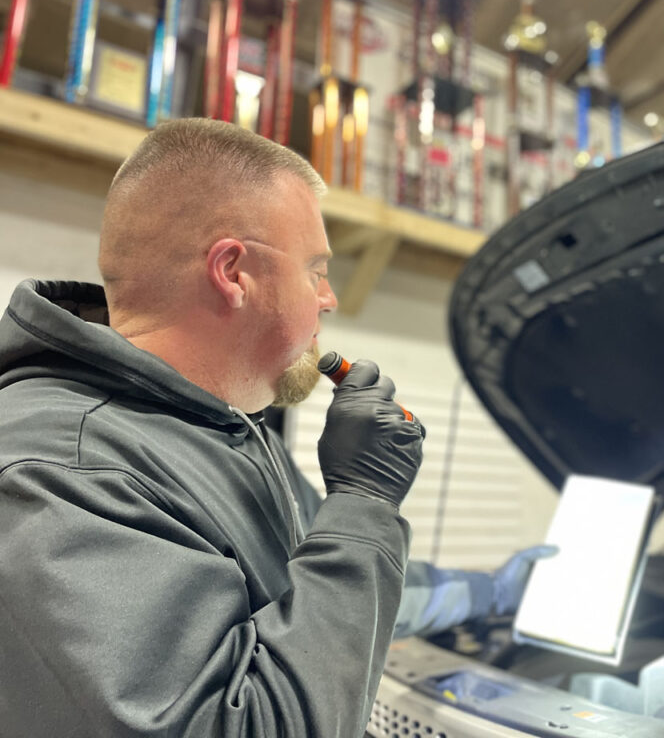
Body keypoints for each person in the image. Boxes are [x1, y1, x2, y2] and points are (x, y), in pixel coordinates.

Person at [0, 118, 551, 737]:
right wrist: (366, 502)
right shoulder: (66, 470)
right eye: (315, 269)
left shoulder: (224, 428)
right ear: (234, 271)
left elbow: (324, 592)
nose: (329, 299)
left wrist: (492, 593)